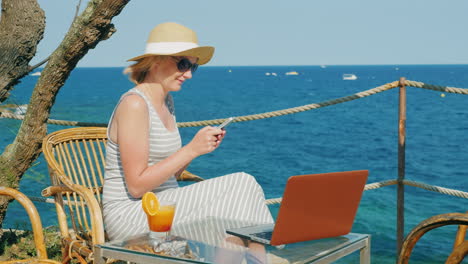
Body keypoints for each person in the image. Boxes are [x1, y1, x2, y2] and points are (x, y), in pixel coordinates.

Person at [102, 22, 274, 245]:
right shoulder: (135, 104)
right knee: (243, 183)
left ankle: (255, 258)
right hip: (132, 215)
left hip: (164, 207)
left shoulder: (166, 102)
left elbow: (168, 176)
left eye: (193, 67)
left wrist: (197, 151)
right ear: (156, 60)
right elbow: (137, 186)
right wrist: (191, 149)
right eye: (183, 64)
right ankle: (266, 257)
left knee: (242, 199)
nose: (189, 74)